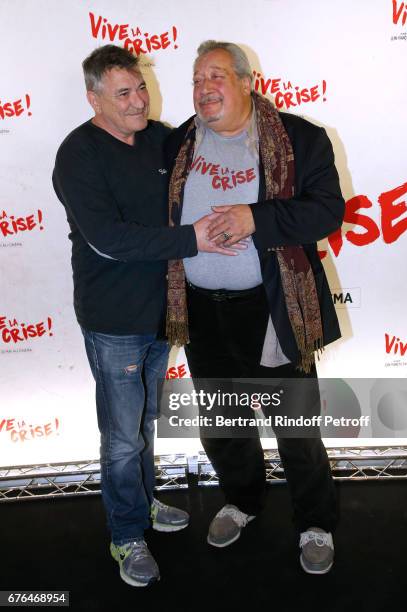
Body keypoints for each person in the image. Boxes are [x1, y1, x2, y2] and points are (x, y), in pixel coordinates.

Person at [52, 44, 241, 588]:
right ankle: (126, 533)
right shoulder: (78, 154)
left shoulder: (159, 136)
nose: (138, 102)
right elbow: (108, 240)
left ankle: (144, 501)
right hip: (114, 319)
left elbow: (214, 147)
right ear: (95, 99)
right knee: (121, 436)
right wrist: (194, 238)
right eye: (123, 94)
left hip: (164, 312)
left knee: (143, 426)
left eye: (140, 89)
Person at [165, 40, 345, 575]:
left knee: (295, 426)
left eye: (216, 76)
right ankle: (242, 501)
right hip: (200, 311)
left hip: (271, 310)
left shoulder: (299, 138)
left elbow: (326, 212)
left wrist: (256, 219)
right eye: (197, 79)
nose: (204, 88)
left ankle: (316, 521)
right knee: (222, 422)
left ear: (248, 81)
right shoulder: (175, 145)